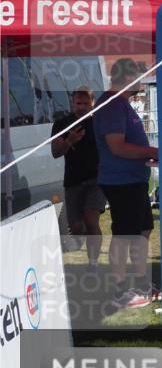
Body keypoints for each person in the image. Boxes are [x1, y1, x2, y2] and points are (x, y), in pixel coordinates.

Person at [93, 59, 159, 309]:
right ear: (127, 76)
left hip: (134, 179)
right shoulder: (112, 105)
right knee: (124, 234)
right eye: (138, 75)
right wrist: (153, 151)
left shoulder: (121, 104)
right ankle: (120, 290)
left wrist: (148, 153)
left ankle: (142, 284)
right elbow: (117, 147)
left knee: (142, 230)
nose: (141, 80)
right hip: (120, 181)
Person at [50, 86, 106, 267]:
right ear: (72, 103)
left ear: (92, 103)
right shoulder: (61, 125)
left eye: (86, 103)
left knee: (91, 219)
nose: (82, 107)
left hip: (97, 179)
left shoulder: (100, 122)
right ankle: (84, 245)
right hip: (73, 180)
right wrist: (69, 141)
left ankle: (93, 262)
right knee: (76, 227)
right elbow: (56, 152)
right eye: (78, 103)